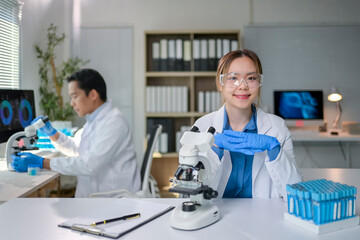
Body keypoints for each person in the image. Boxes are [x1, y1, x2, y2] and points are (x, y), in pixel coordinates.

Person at [11, 68, 141, 198]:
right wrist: (53, 134)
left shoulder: (114, 122)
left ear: (93, 95)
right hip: (98, 197)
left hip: (113, 199)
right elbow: (78, 149)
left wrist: (43, 162)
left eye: (75, 96)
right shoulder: (93, 120)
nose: (72, 103)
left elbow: (90, 165)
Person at [194, 49, 302, 199]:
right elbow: (189, 194)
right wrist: (214, 150)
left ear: (259, 83)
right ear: (220, 84)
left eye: (251, 78)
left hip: (263, 216)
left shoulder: (277, 127)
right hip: (216, 216)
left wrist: (275, 151)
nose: (243, 86)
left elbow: (296, 192)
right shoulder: (202, 126)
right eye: (233, 78)